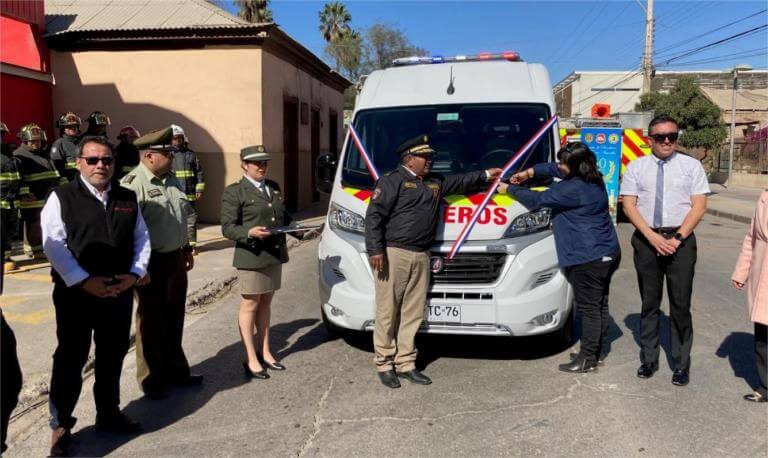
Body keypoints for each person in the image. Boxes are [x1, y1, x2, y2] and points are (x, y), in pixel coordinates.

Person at [41, 136, 150, 456]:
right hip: (77, 294)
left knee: (113, 352)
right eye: (93, 160)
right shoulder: (61, 196)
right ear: (79, 163)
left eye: (107, 160)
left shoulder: (127, 196)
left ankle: (108, 413)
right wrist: (82, 280)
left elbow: (141, 238)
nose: (101, 165)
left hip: (117, 290)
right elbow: (53, 245)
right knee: (71, 357)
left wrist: (134, 273)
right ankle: (61, 425)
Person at [365, 134, 501, 388]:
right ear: (410, 159)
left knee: (413, 312)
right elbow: (374, 218)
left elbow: (460, 181)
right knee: (387, 311)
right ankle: (384, 363)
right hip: (394, 253)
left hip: (422, 254)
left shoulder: (434, 182)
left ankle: (405, 363)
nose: (430, 161)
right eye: (425, 157)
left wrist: (484, 174)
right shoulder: (392, 181)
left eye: (430, 157)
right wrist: (375, 250)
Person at [498, 142, 621, 373]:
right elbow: (556, 169)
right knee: (600, 304)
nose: (560, 167)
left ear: (575, 166)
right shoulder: (592, 176)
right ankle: (596, 351)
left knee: (589, 308)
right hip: (606, 251)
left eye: (564, 163)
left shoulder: (573, 189)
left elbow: (536, 200)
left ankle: (587, 358)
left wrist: (509, 189)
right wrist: (531, 172)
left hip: (588, 257)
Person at [620, 115, 709, 387]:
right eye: (661, 137)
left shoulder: (691, 166)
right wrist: (652, 237)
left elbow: (699, 206)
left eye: (672, 136)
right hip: (647, 239)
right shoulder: (636, 167)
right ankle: (649, 359)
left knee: (680, 305)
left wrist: (678, 238)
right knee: (650, 303)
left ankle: (681, 364)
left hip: (681, 241)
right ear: (650, 139)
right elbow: (629, 206)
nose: (667, 141)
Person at [121, 127, 201, 399]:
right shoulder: (132, 185)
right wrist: (137, 268)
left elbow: (182, 214)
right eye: (168, 153)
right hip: (151, 263)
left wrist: (187, 247)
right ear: (150, 156)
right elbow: (128, 231)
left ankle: (176, 371)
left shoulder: (170, 180)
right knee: (151, 322)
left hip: (175, 257)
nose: (173, 157)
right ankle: (151, 379)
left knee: (174, 316)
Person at [221, 145, 304, 379]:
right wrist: (249, 232)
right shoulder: (235, 191)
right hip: (252, 255)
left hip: (273, 254)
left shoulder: (273, 187)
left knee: (266, 304)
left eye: (264, 162)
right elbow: (228, 227)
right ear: (244, 165)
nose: (262, 167)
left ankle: (266, 351)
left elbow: (283, 217)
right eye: (256, 163)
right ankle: (251, 357)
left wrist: (300, 231)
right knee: (250, 305)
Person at [731, 189, 768, 403]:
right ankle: (765, 387)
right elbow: (751, 237)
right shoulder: (764, 195)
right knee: (763, 336)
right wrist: (742, 271)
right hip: (761, 273)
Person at [14, 123, 65, 259]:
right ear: (24, 141)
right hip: (32, 197)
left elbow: (54, 173)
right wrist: (25, 192)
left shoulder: (45, 154)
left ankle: (45, 248)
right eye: (33, 141)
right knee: (33, 223)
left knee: (48, 222)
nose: (36, 144)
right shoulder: (19, 155)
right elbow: (19, 177)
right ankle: (34, 250)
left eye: (38, 141)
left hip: (48, 194)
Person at [170, 124, 205, 252]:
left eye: (179, 138)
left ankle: (192, 246)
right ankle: (177, 245)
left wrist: (199, 189)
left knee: (191, 221)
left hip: (190, 193)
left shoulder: (191, 155)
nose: (177, 141)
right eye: (174, 138)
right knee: (175, 220)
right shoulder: (168, 155)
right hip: (174, 194)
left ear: (183, 138)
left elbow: (199, 172)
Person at [1, 122, 21, 271]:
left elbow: (17, 176)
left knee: (10, 230)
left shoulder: (8, 153)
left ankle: (5, 257)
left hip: (11, 200)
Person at [50, 112, 82, 182]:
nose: (73, 128)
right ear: (63, 129)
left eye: (75, 126)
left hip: (84, 179)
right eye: (69, 127)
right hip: (70, 180)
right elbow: (56, 165)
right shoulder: (59, 144)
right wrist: (63, 180)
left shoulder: (82, 142)